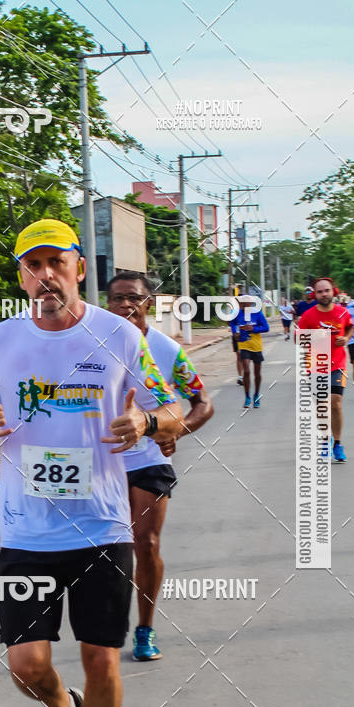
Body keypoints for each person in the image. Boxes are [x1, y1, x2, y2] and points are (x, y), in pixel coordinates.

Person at [0, 219, 184, 707]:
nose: (45, 275)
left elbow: (173, 410)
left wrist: (147, 425)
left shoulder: (119, 336)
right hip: (26, 532)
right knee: (27, 666)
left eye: (56, 262)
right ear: (22, 276)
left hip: (103, 530)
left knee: (103, 659)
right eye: (32, 265)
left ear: (81, 268)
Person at [107, 272, 213, 660]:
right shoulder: (93, 346)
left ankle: (144, 629)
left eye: (132, 297)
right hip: (103, 461)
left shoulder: (167, 349)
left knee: (146, 542)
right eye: (116, 298)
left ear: (148, 301)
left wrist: (177, 432)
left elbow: (203, 402)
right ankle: (104, 623)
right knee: (106, 549)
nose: (124, 304)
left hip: (149, 459)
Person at [296, 276, 354, 462]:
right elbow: (298, 339)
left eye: (326, 290)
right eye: (320, 292)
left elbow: (350, 328)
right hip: (316, 366)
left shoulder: (342, 313)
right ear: (315, 294)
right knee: (322, 406)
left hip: (338, 364)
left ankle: (338, 444)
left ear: (333, 291)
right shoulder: (309, 316)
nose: (323, 294)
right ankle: (324, 440)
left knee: (336, 402)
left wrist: (346, 339)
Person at [230, 295, 270, 408]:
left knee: (257, 373)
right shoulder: (237, 313)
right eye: (243, 303)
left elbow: (266, 327)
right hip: (243, 344)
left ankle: (256, 395)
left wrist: (254, 329)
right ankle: (247, 396)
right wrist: (235, 332)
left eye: (247, 303)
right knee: (246, 370)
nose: (245, 305)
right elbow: (233, 323)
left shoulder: (257, 313)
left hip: (256, 346)